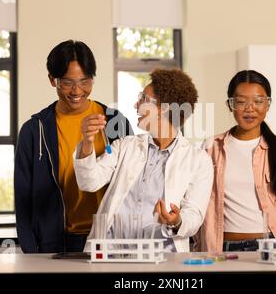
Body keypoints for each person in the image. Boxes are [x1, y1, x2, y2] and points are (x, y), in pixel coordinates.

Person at [73, 69, 213, 252]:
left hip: (162, 260)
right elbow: (88, 182)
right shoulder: (125, 146)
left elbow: (194, 216)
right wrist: (87, 142)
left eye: (143, 99)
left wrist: (176, 220)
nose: (136, 105)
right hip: (110, 257)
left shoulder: (198, 160)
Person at [15, 40, 133, 253]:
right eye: (68, 82)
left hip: (109, 240)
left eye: (85, 81)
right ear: (53, 80)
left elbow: (132, 183)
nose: (77, 90)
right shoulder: (34, 130)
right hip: (53, 244)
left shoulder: (115, 122)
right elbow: (23, 198)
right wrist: (30, 251)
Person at [195, 70, 276, 253]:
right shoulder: (211, 148)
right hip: (222, 249)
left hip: (271, 249)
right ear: (230, 105)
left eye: (258, 101)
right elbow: (197, 201)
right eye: (240, 101)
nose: (250, 108)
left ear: (268, 104)